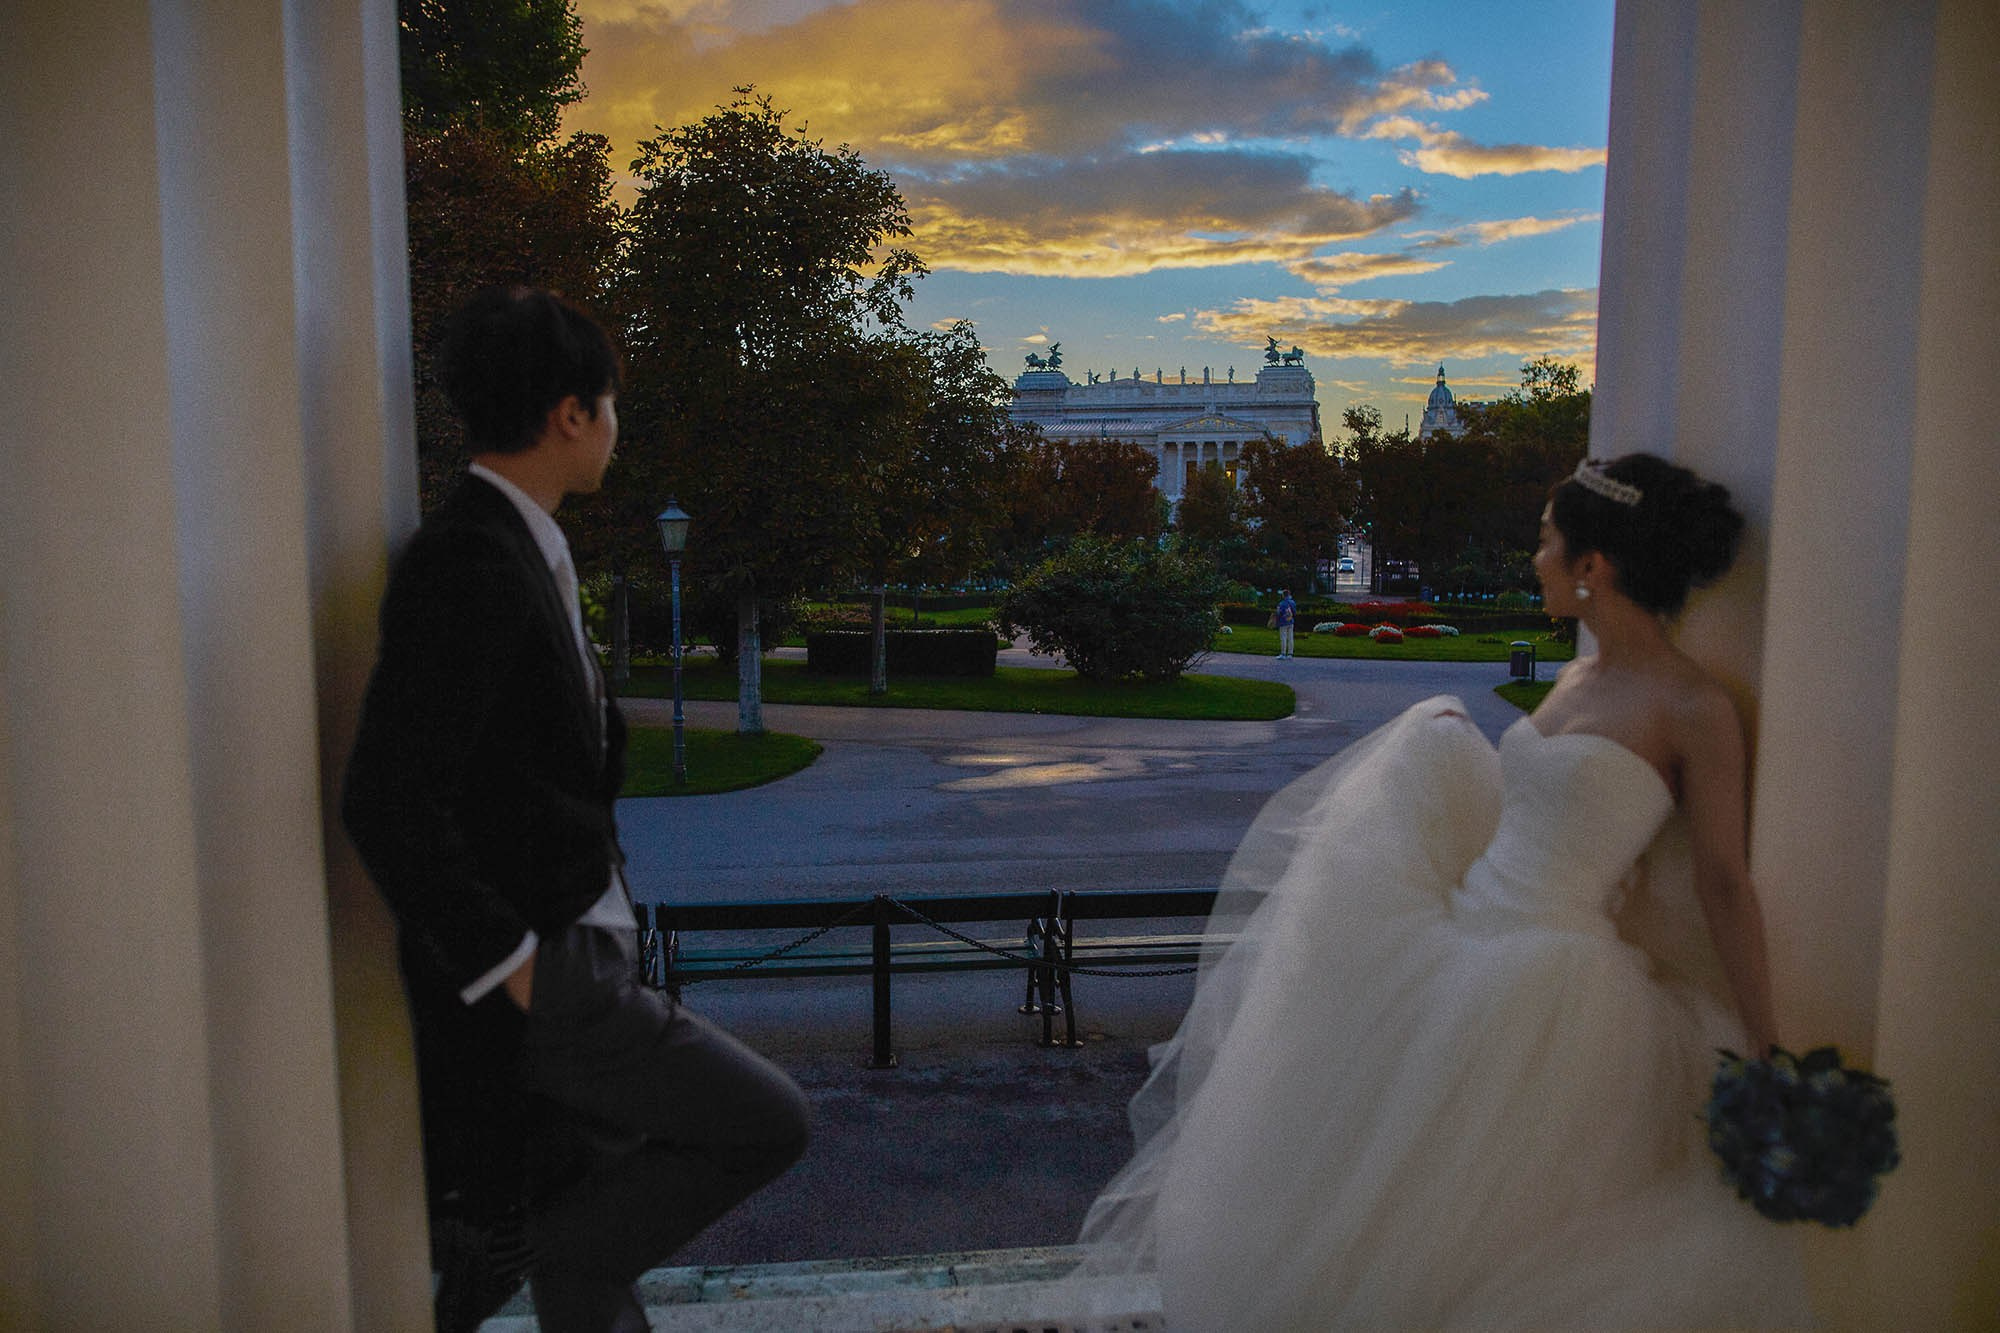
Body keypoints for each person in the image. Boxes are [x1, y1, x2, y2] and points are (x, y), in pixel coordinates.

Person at [1067, 454, 1811, 1329]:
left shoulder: (1692, 706)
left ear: (1592, 566)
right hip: (1459, 935)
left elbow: (1725, 881)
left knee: (1485, 1232)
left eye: (1544, 543)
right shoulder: (1577, 678)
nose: (1532, 562)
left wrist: (1766, 1041)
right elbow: (1549, 808)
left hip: (1545, 982)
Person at [342, 287, 809, 1333]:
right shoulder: (468, 560)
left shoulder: (524, 549)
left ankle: (518, 1244)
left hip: (574, 957)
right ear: (570, 413)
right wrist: (515, 969)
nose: (615, 428)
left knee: (586, 1269)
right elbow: (386, 798)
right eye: (610, 404)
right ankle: (509, 1244)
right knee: (766, 1121)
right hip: (551, 976)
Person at [1274, 588, 1296, 659]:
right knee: (1290, 638)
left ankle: (1283, 653)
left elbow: (1278, 614)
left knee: (1283, 638)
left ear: (1283, 595)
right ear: (1289, 594)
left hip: (1283, 622)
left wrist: (1276, 622)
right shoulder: (1292, 602)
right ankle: (1290, 654)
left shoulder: (1281, 604)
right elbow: (1294, 612)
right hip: (1291, 621)